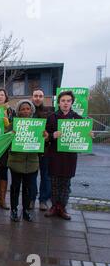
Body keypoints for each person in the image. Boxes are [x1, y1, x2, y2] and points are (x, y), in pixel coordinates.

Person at [45, 90, 92, 220]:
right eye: (63, 101)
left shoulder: (77, 118)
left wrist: (89, 135)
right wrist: (52, 136)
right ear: (58, 103)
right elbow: (45, 137)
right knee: (54, 183)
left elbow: (85, 135)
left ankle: (62, 207)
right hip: (55, 155)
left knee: (66, 183)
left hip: (69, 157)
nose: (65, 103)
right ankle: (54, 206)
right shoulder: (52, 117)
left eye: (68, 101)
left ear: (72, 103)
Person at [7, 100, 49, 222]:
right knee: (15, 188)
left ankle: (26, 210)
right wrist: (11, 135)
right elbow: (5, 139)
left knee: (28, 188)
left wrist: (45, 138)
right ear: (18, 111)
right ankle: (14, 210)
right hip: (16, 161)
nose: (25, 111)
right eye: (23, 109)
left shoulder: (38, 124)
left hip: (32, 162)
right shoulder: (13, 124)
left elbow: (43, 141)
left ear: (31, 110)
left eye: (28, 109)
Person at [29, 88, 54, 211]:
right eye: (35, 96)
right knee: (31, 176)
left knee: (46, 176)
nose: (38, 98)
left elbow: (52, 129)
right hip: (31, 150)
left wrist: (48, 136)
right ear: (32, 97)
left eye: (40, 96)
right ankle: (31, 199)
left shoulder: (50, 112)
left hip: (45, 149)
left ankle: (43, 200)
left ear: (43, 98)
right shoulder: (27, 111)